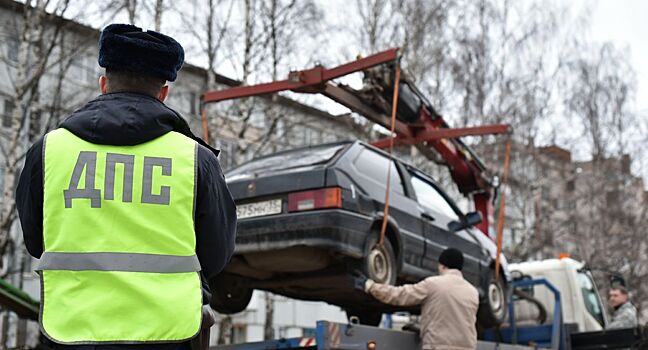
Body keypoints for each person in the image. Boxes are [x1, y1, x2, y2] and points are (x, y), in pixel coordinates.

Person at [15, 24, 237, 349]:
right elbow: (216, 257)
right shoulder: (195, 159)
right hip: (168, 333)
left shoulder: (49, 150)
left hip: (70, 331)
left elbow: (36, 242)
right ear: (164, 93)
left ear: (103, 84)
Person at [353, 247, 479, 350]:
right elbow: (454, 318)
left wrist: (370, 286)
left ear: (442, 265)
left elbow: (400, 295)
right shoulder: (472, 292)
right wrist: (422, 326)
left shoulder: (434, 284)